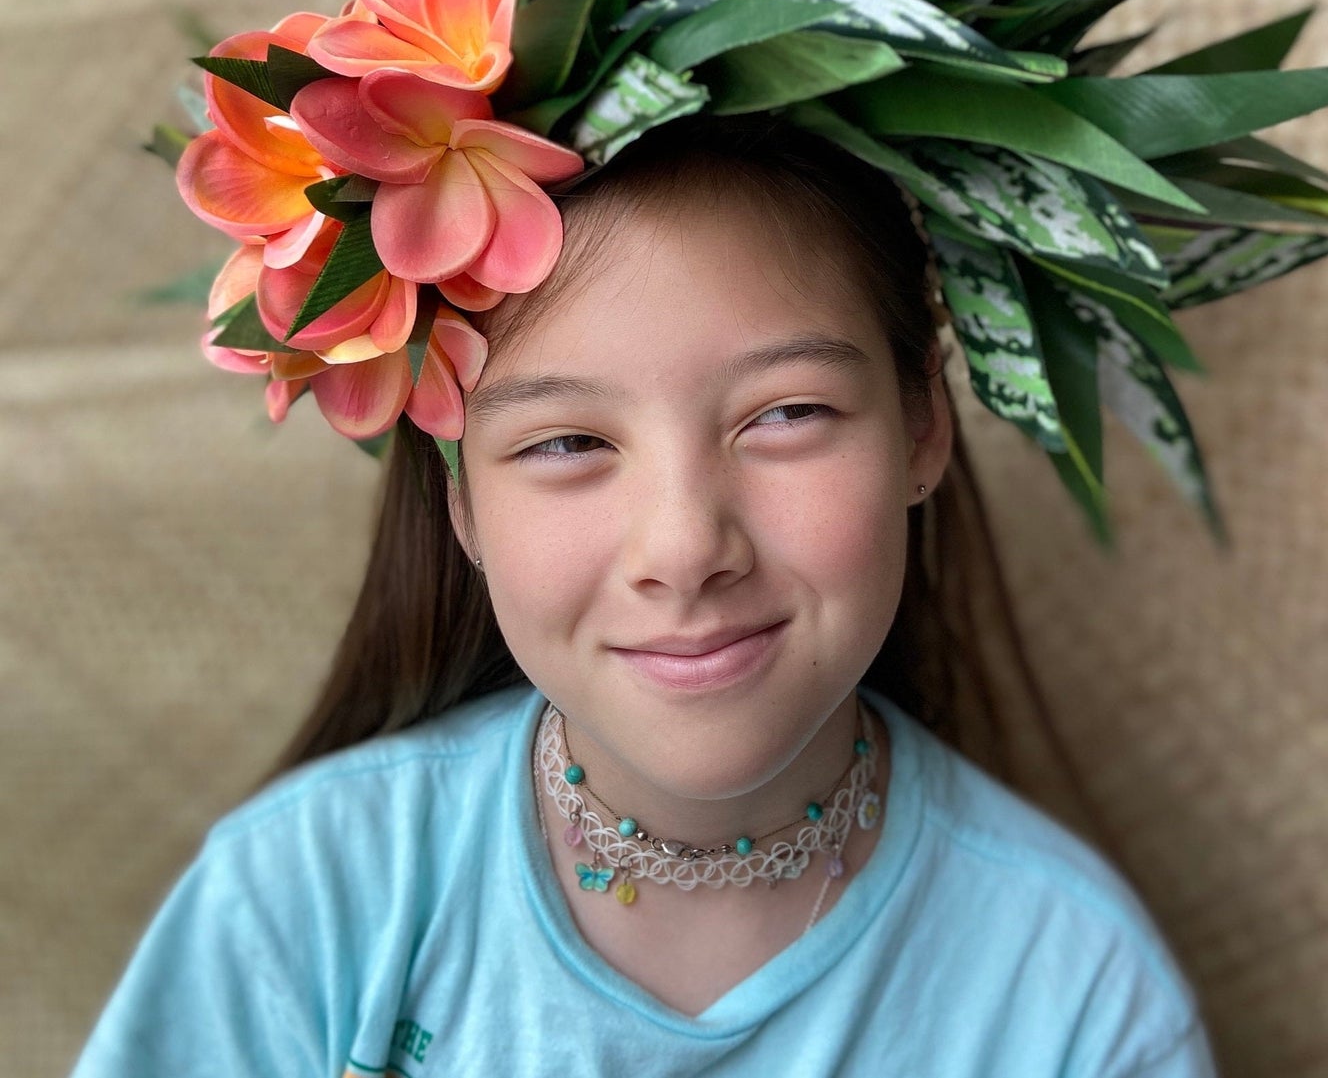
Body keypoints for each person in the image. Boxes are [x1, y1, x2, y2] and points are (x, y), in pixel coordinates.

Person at [69, 112, 1218, 1075]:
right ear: (459, 501)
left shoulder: (1071, 988)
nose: (682, 546)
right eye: (567, 440)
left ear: (922, 424)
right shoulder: (305, 898)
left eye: (785, 415)